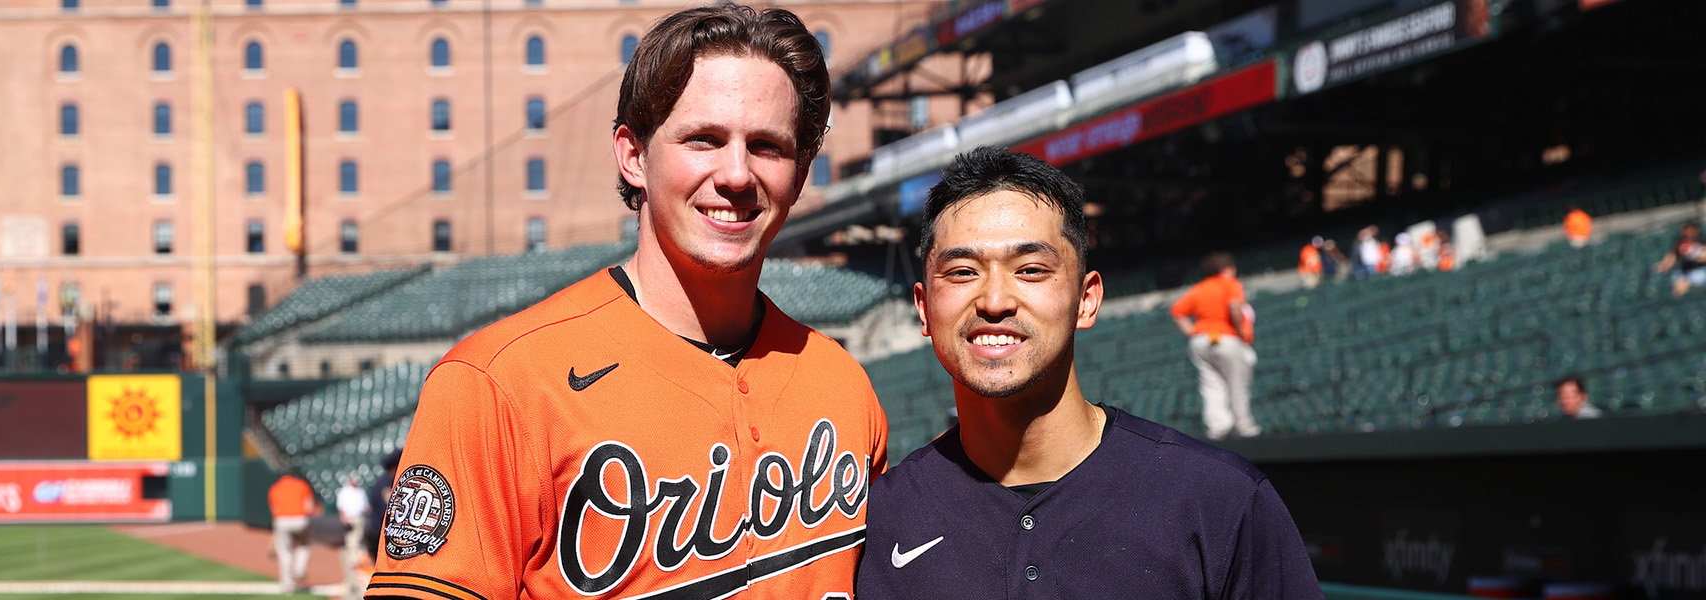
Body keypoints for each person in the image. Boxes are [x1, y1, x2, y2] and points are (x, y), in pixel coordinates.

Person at [368, 5, 887, 599]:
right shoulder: (497, 383)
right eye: (703, 139)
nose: (737, 174)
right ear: (634, 156)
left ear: (799, 174)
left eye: (767, 146)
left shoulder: (844, 386)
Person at [857, 146, 1320, 599]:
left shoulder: (1220, 501)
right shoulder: (878, 521)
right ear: (923, 307)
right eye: (961, 272)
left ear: (1086, 299)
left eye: (1032, 269)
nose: (994, 300)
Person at [1172, 252, 1262, 440]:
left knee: (1212, 385)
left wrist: (1191, 331)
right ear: (1228, 268)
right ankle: (1245, 426)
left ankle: (1217, 429)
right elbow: (1235, 307)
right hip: (1225, 338)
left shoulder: (1200, 288)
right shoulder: (1229, 283)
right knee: (1238, 383)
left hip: (1200, 341)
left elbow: (1177, 310)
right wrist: (1239, 331)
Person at [267, 472, 317, 594]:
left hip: (282, 520)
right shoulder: (302, 485)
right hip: (301, 519)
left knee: (285, 552)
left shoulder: (275, 488)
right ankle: (300, 569)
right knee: (304, 545)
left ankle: (287, 585)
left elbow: (274, 510)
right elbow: (309, 506)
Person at [335, 475, 371, 588]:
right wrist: (343, 517)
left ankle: (357, 558)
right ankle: (353, 559)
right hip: (349, 518)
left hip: (359, 517)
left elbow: (366, 506)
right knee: (351, 540)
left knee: (358, 539)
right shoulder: (344, 491)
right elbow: (341, 506)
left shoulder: (360, 491)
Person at [1654, 222, 1705, 297]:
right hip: (1685, 270)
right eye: (1685, 229)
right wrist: (1665, 264)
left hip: (1700, 269)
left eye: (1689, 229)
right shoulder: (1680, 242)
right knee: (1678, 282)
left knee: (1686, 280)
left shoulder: (1702, 240)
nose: (1687, 232)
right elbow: (1672, 254)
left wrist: (1696, 256)